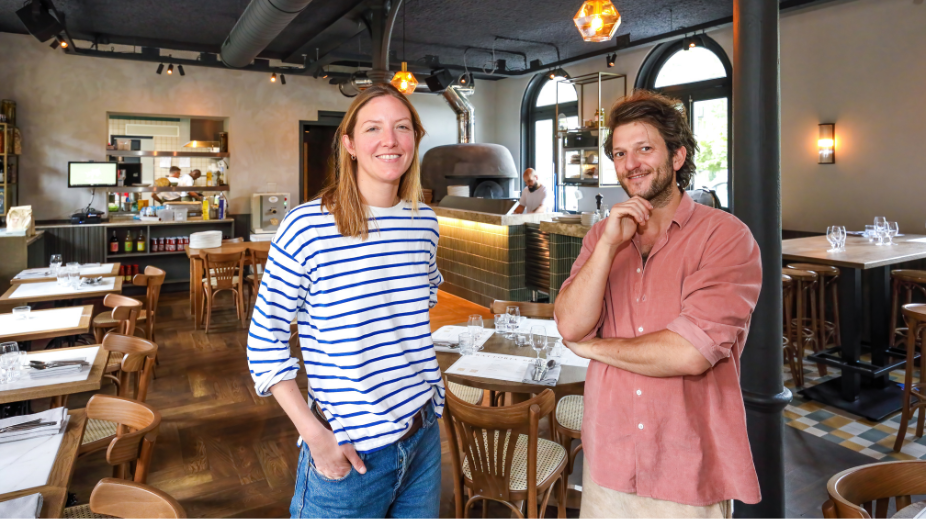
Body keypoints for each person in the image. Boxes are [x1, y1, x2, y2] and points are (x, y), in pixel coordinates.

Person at [554, 90, 762, 519]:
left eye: (644, 149)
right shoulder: (602, 237)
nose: (630, 164)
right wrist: (608, 246)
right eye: (620, 153)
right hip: (609, 456)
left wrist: (593, 348)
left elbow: (689, 352)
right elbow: (570, 325)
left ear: (678, 156)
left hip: (686, 463)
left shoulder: (725, 237)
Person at [246, 84, 444, 518]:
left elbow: (417, 305)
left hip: (422, 435)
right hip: (350, 449)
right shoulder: (307, 226)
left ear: (415, 139)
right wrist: (315, 436)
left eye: (402, 127)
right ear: (350, 144)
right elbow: (263, 344)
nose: (390, 140)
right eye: (373, 128)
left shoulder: (424, 222)